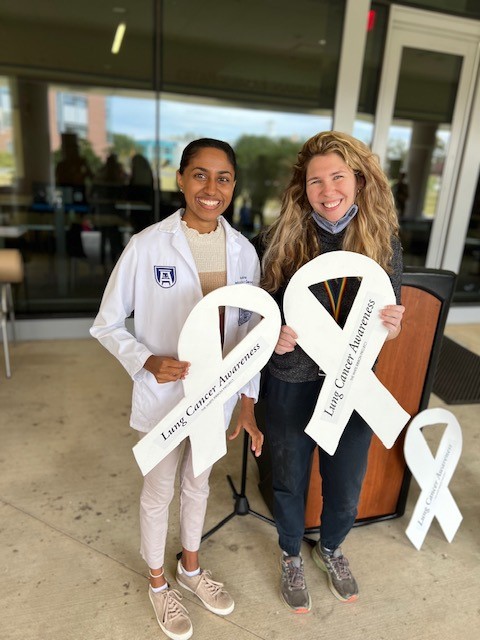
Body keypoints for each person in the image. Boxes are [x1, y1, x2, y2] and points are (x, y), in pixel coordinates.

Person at [90, 138, 263, 640]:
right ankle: (157, 583)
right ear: (181, 179)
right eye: (200, 175)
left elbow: (252, 332)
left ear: (234, 185)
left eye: (224, 177)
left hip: (216, 396)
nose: (212, 188)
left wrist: (247, 400)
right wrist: (146, 360)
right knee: (159, 489)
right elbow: (106, 323)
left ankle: (190, 568)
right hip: (165, 396)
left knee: (198, 483)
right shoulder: (147, 245)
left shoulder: (244, 252)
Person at [254, 131, 404, 613]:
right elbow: (261, 312)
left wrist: (393, 324)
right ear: (304, 187)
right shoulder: (280, 238)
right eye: (315, 180)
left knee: (345, 483)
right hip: (290, 379)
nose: (327, 189)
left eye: (337, 177)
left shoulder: (384, 242)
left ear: (359, 180)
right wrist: (271, 332)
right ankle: (289, 554)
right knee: (289, 477)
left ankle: (332, 548)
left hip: (354, 382)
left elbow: (388, 320)